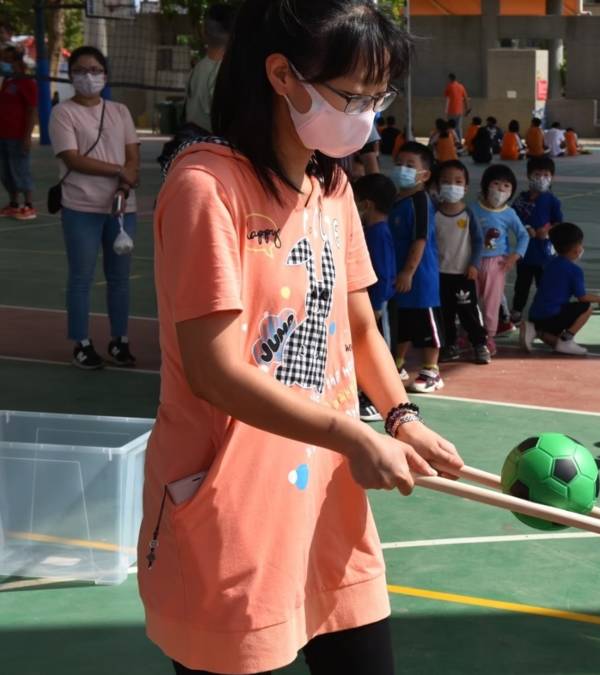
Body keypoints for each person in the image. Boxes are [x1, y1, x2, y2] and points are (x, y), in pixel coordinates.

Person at [144, 2, 463, 673]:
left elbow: (358, 325)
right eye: (354, 95)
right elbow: (214, 371)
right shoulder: (206, 187)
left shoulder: (332, 188)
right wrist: (352, 434)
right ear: (283, 75)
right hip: (232, 506)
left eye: (380, 97)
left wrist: (402, 416)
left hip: (326, 503)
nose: (369, 115)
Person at [50, 46, 140, 369]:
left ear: (105, 73)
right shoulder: (63, 114)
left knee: (119, 278)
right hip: (80, 208)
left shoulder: (120, 112)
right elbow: (72, 158)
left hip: (120, 210)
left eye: (95, 69)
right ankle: (82, 343)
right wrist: (118, 171)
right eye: (81, 70)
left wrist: (126, 183)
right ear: (71, 75)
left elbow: (133, 156)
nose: (89, 76)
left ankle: (120, 340)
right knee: (81, 277)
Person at [387, 141, 442, 393]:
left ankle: (431, 369)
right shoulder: (396, 199)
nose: (402, 169)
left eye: (410, 165)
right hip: (397, 275)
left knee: (425, 323)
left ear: (425, 174)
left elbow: (420, 239)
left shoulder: (420, 201)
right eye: (399, 164)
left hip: (420, 277)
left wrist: (409, 271)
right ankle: (395, 364)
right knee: (403, 322)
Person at [522, 223, 600, 356]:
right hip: (550, 316)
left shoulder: (549, 261)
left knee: (555, 343)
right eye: (580, 244)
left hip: (535, 314)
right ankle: (566, 340)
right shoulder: (574, 271)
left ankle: (536, 330)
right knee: (586, 308)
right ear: (576, 249)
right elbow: (582, 297)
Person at [432, 159, 489, 364]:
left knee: (468, 311)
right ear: (437, 186)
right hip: (439, 274)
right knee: (444, 313)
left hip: (463, 274)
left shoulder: (468, 213)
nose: (452, 186)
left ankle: (480, 344)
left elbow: (478, 241)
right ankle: (450, 345)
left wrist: (474, 264)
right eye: (446, 181)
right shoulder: (434, 213)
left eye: (457, 181)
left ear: (465, 187)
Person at [470, 164, 528, 355]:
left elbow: (523, 235)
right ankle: (469, 333)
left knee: (492, 301)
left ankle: (489, 336)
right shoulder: (472, 209)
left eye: (506, 186)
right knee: (468, 300)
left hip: (497, 263)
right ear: (486, 185)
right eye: (496, 184)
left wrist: (515, 256)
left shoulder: (509, 213)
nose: (500, 190)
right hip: (472, 262)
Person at [352, 173, 397, 420]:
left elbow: (383, 271)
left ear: (366, 203)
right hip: (370, 302)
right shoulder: (373, 230)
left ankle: (376, 401)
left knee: (380, 348)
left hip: (376, 302)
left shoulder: (378, 233)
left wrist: (378, 303)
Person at [511, 155, 564, 324]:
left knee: (544, 285)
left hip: (545, 254)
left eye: (546, 175)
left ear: (552, 177)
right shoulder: (521, 199)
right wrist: (526, 228)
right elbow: (512, 217)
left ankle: (543, 313)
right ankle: (517, 311)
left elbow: (559, 223)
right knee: (522, 285)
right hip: (525, 253)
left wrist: (547, 231)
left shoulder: (552, 200)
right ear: (528, 175)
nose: (542, 178)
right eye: (537, 174)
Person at [184, 3, 234, 133]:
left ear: (204, 32)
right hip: (213, 147)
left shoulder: (196, 71)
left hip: (193, 145)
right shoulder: (228, 72)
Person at [0, 43, 37, 220]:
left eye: (6, 60)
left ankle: (28, 205)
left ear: (16, 62)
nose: (3, 63)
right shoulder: (7, 81)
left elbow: (31, 109)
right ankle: (14, 204)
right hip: (3, 135)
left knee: (20, 170)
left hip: (17, 136)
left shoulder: (26, 82)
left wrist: (27, 137)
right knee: (5, 172)